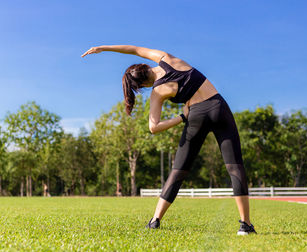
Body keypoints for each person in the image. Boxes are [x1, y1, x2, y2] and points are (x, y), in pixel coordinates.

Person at [82, 45, 256, 235]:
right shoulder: (165, 58)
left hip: (195, 116)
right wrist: (103, 48)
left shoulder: (157, 91)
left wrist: (182, 117)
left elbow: (153, 127)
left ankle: (155, 220)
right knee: (234, 166)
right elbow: (134, 49)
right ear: (143, 65)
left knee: (178, 170)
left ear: (142, 86)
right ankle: (245, 225)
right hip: (218, 106)